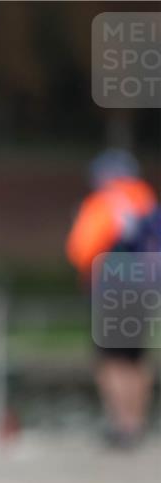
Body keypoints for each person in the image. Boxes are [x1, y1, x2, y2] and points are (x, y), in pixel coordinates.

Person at [65, 149, 158, 448]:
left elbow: (80, 250)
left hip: (111, 292)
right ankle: (138, 422)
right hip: (145, 291)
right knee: (137, 358)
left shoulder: (101, 204)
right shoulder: (148, 202)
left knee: (110, 361)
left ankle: (122, 425)